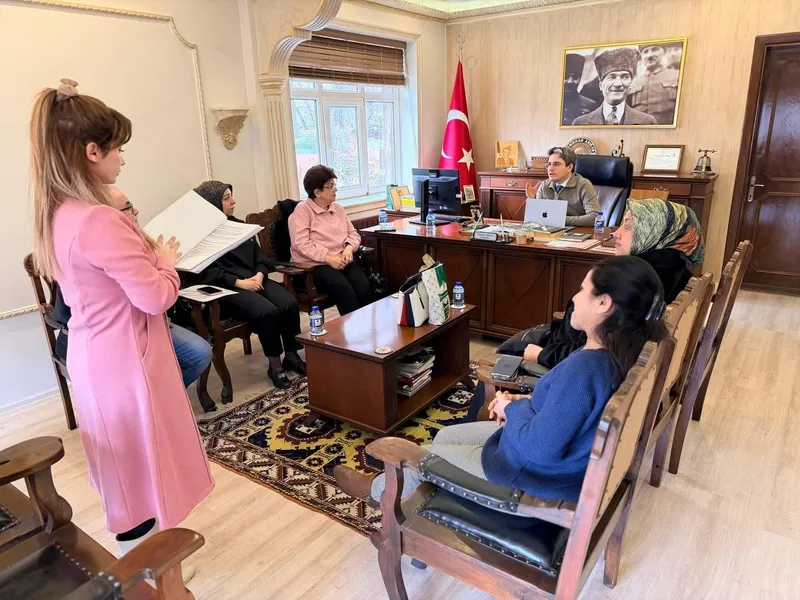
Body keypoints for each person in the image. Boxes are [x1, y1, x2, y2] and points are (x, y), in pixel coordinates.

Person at [30, 78, 213, 555]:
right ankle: (153, 565)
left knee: (124, 468)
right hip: (127, 358)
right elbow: (156, 297)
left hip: (96, 353)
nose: (123, 160)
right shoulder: (99, 218)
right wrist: (166, 262)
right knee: (143, 463)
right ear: (92, 152)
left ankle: (142, 557)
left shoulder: (58, 213)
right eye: (118, 149)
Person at [334, 256, 668, 504]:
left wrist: (512, 409)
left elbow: (540, 448)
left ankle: (379, 494)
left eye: (583, 290)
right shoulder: (615, 354)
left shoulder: (585, 369)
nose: (576, 298)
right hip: (557, 463)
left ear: (604, 303)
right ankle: (423, 495)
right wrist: (523, 402)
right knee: (448, 435)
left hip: (533, 479)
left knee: (421, 457)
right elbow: (570, 412)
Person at [52, 187, 213, 388]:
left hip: (145, 321)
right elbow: (152, 298)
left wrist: (160, 261)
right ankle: (160, 395)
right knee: (197, 353)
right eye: (128, 207)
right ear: (109, 217)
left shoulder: (130, 240)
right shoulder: (100, 247)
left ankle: (163, 394)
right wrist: (165, 262)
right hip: (114, 335)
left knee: (199, 351)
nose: (136, 211)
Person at [523, 199, 704, 369]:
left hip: (563, 365)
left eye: (627, 226)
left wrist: (542, 354)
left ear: (652, 232)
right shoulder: (677, 271)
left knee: (512, 350)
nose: (616, 234)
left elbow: (595, 356)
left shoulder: (633, 284)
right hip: (566, 348)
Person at [194, 180, 306, 390]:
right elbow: (207, 273)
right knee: (267, 311)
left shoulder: (239, 226)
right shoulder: (202, 236)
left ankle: (292, 356)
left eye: (231, 196)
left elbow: (260, 257)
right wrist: (239, 282)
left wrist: (260, 275)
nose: (233, 202)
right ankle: (275, 366)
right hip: (229, 288)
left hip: (256, 279)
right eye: (226, 199)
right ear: (212, 203)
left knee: (289, 302)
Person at [289, 164, 374, 316]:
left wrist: (349, 248)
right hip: (315, 266)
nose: (335, 189)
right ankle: (353, 329)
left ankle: (370, 326)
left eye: (334, 184)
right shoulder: (303, 211)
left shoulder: (337, 209)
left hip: (342, 260)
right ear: (317, 192)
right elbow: (301, 244)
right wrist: (328, 258)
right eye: (330, 186)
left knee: (364, 287)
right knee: (344, 290)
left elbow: (354, 234)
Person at [572, 47, 658, 126]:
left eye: (624, 77)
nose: (618, 84)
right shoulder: (580, 123)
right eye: (612, 77)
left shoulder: (648, 121)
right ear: (600, 85)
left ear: (631, 84)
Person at [526, 146, 600, 227]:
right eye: (549, 164)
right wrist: (533, 200)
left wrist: (561, 219)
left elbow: (594, 217)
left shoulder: (584, 185)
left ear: (569, 167)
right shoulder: (544, 185)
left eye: (556, 164)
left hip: (578, 231)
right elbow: (538, 217)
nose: (550, 169)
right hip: (551, 231)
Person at [628, 42, 679, 125]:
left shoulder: (677, 75)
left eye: (654, 50)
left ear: (664, 52)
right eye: (645, 52)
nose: (650, 55)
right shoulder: (633, 82)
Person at [562, 53, 597, 125]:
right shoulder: (551, 102)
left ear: (580, 78)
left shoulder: (590, 105)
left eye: (575, 77)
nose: (570, 81)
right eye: (566, 77)